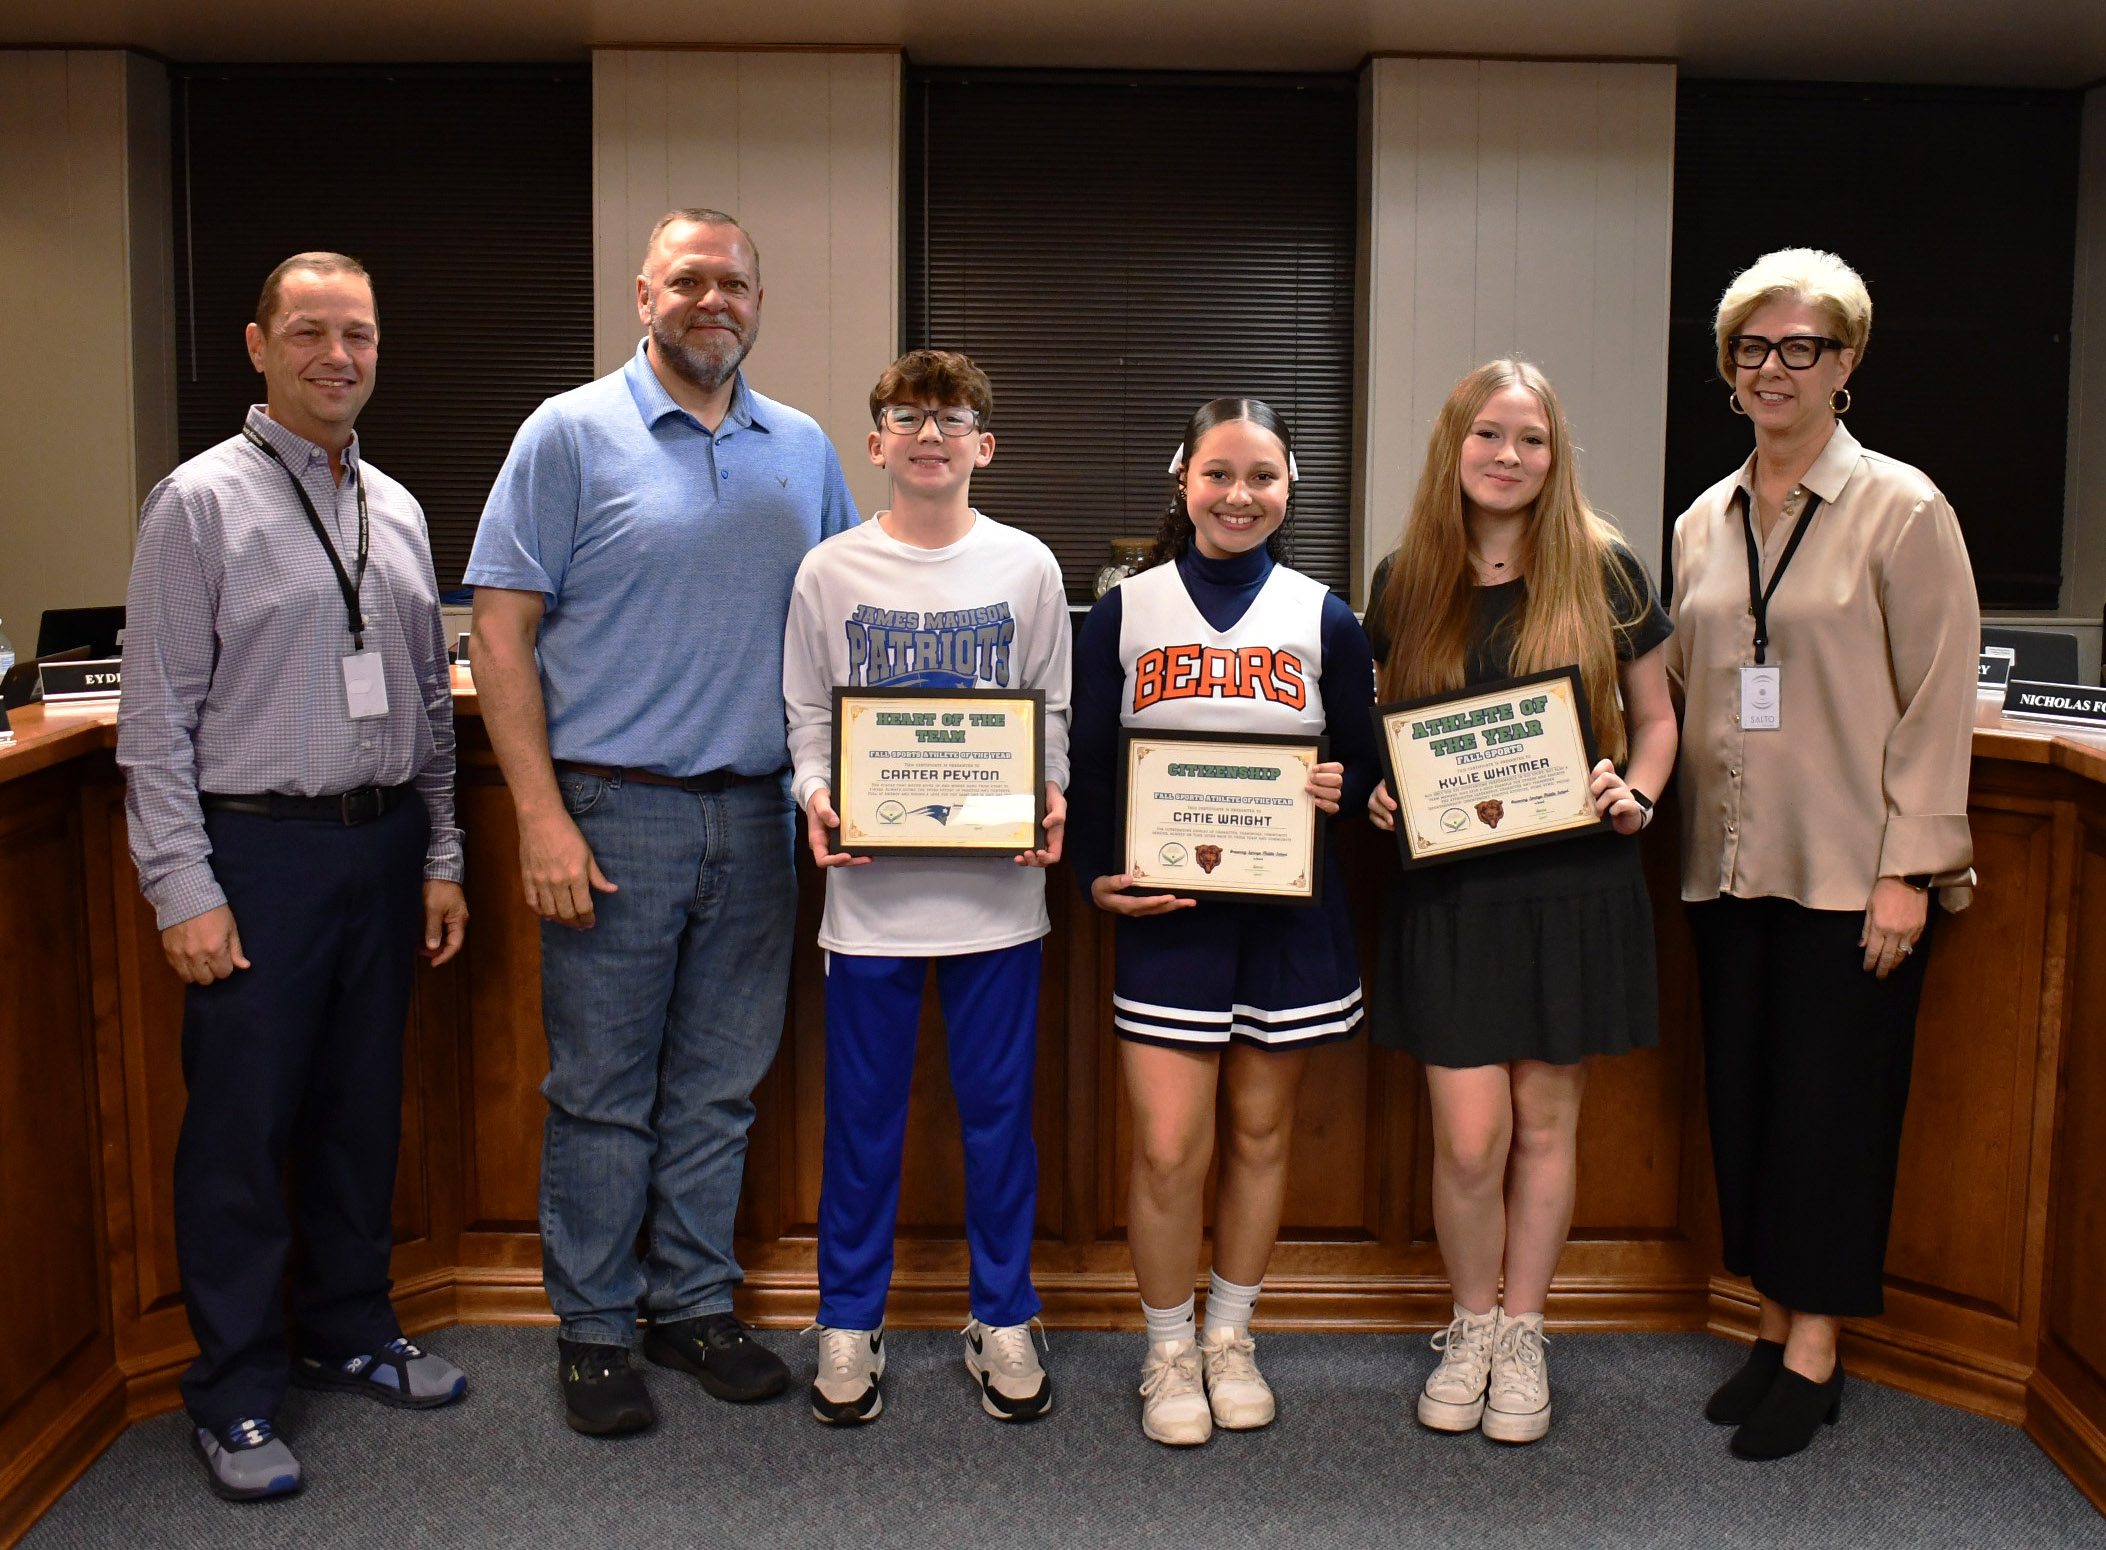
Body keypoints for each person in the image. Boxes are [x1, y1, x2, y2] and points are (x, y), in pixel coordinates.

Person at [466, 209, 858, 1435]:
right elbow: (499, 632)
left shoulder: (800, 447)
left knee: (719, 1087)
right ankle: (593, 1327)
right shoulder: (568, 433)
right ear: (644, 295)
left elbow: (852, 624)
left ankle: (691, 1302)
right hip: (610, 812)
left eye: (734, 282)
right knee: (599, 1089)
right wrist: (537, 814)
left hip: (755, 817)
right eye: (688, 279)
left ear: (757, 300)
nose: (713, 300)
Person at [118, 251, 471, 1502]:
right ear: (259, 344)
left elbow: (429, 703)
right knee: (241, 1129)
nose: (340, 356)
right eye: (312, 332)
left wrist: (437, 853)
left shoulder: (401, 504)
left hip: (377, 850)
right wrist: (183, 887)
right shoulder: (199, 504)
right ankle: (234, 1390)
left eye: (360, 335)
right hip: (251, 852)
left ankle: (349, 1323)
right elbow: (152, 720)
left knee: (359, 1109)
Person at [1668, 248, 1977, 1461]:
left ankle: (1816, 1349)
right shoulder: (1704, 516)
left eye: (1802, 346)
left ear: (1846, 364)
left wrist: (1913, 869)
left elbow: (1939, 696)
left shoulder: (1903, 506)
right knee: (1747, 1103)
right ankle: (1770, 1317)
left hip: (1855, 873)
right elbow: (1682, 686)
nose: (1774, 367)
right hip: (1727, 864)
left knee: (1832, 1117)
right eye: (1752, 346)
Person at [1364, 359, 1677, 1445]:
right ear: (1455, 443)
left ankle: (1524, 1329)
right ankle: (1469, 1318)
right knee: (1468, 1137)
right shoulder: (1406, 578)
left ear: (1556, 453)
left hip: (1571, 886)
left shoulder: (1608, 569)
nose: (1510, 456)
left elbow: (1659, 718)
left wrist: (1635, 790)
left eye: (1532, 439)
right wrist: (1378, 788)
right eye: (1490, 434)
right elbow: (1384, 725)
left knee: (1546, 1124)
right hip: (1452, 892)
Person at [1069, 398, 1379, 1446]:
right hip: (1169, 913)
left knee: (1257, 1131)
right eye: (1218, 474)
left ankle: (1231, 1333)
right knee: (1166, 1145)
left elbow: (1369, 761)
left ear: (1290, 486)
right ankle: (1167, 1347)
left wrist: (1345, 779)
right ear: (1182, 481)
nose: (1238, 496)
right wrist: (1091, 874)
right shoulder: (1126, 608)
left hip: (1287, 916)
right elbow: (1090, 765)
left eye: (1261, 476)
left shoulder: (1326, 613)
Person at [783, 349, 1071, 1426]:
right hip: (869, 896)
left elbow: (1050, 712)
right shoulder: (830, 570)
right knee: (862, 1121)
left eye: (950, 417)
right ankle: (848, 1316)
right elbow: (809, 715)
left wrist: (1049, 795)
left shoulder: (1028, 565)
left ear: (982, 445)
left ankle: (1003, 1310)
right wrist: (816, 792)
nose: (929, 433)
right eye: (906, 416)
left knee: (999, 1118)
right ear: (877, 443)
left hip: (998, 898)